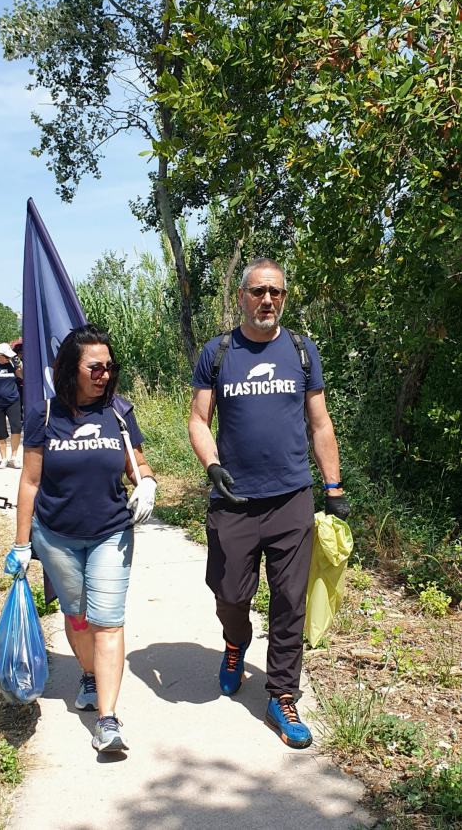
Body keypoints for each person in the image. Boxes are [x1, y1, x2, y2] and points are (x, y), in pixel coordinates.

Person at [188, 258, 350, 750]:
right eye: (258, 291)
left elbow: (319, 423)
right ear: (241, 296)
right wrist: (211, 463)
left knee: (288, 603)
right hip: (233, 500)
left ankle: (282, 695)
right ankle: (235, 643)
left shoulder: (301, 351)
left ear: (283, 297)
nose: (267, 301)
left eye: (276, 292)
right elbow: (198, 419)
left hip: (291, 499)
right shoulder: (217, 353)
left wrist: (334, 488)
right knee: (230, 595)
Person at [11, 324, 157, 753]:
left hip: (111, 532)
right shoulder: (43, 415)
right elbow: (30, 483)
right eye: (95, 367)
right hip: (56, 536)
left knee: (107, 620)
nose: (104, 375)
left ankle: (107, 719)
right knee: (77, 618)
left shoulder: (119, 413)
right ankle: (90, 674)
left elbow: (138, 465)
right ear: (70, 369)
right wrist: (22, 545)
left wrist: (146, 483)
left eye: (110, 367)